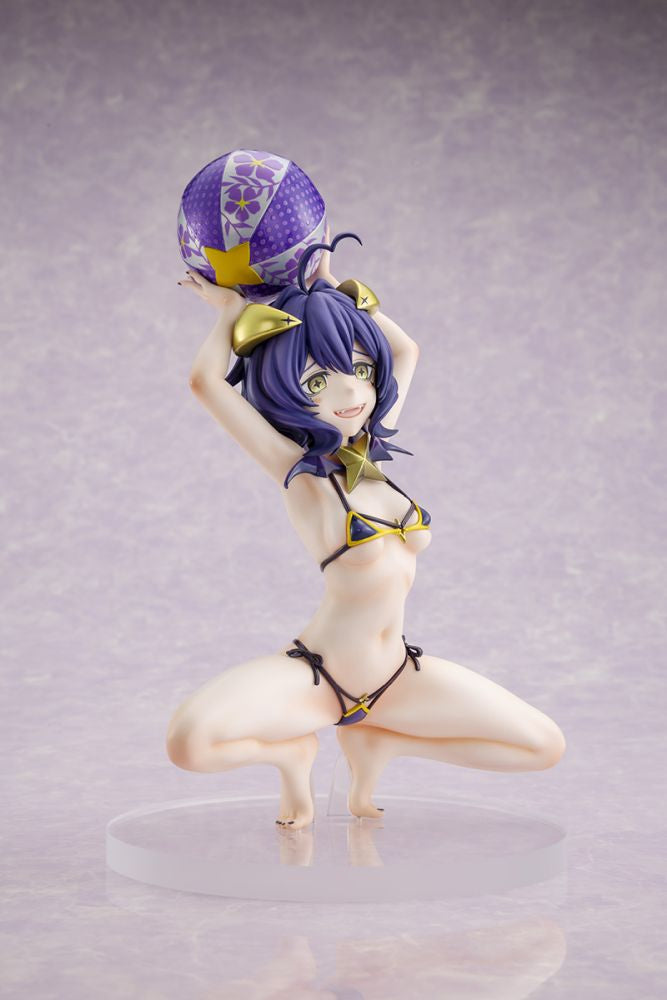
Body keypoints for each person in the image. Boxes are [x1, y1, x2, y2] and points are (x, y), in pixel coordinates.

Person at [166, 231, 566, 830]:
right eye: (317, 383)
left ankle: (383, 743)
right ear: (285, 394)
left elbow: (406, 351)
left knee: (543, 745)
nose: (351, 392)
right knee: (190, 743)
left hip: (399, 674)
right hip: (318, 674)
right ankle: (290, 756)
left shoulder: (372, 446)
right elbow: (205, 383)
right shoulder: (299, 472)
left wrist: (331, 287)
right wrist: (229, 311)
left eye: (358, 369)